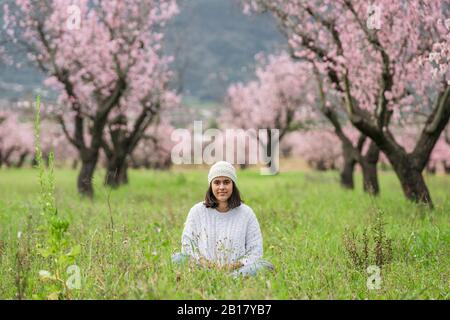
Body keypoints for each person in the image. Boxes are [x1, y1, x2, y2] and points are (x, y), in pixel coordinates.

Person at [172, 161, 274, 277]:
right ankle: (210, 278)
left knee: (265, 265)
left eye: (226, 182)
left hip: (237, 270)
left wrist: (234, 265)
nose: (221, 187)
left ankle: (231, 278)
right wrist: (206, 263)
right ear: (211, 185)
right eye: (217, 182)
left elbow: (255, 251)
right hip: (204, 268)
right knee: (177, 258)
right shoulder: (197, 211)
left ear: (233, 185)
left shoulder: (246, 213)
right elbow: (187, 245)